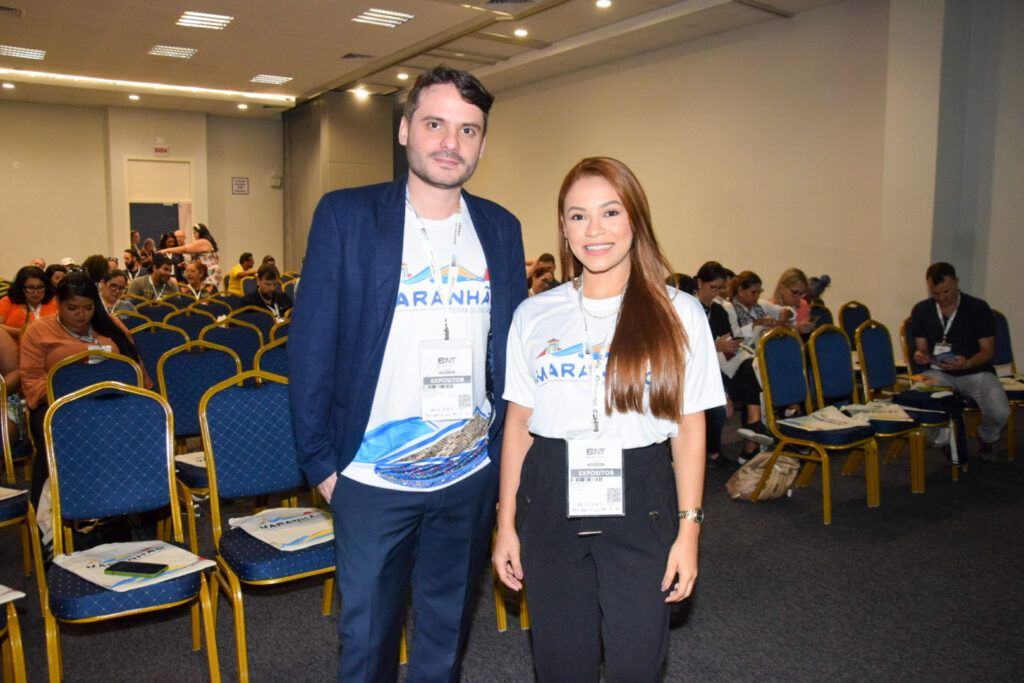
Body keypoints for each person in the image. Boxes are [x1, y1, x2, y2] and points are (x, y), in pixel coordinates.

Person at [288, 65, 525, 682]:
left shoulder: (500, 228)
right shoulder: (347, 215)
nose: (451, 142)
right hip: (369, 476)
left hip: (468, 473)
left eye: (468, 130)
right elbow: (311, 348)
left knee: (445, 637)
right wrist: (322, 465)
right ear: (404, 130)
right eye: (436, 124)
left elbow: (512, 357)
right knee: (366, 641)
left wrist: (500, 463)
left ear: (481, 141)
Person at [492, 157, 723, 682]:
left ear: (635, 220)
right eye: (577, 216)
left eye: (609, 212)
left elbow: (690, 429)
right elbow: (518, 426)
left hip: (641, 496)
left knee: (636, 663)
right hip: (549, 494)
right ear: (564, 228)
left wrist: (689, 532)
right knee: (560, 662)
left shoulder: (678, 312)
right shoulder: (535, 314)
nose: (593, 230)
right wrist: (505, 525)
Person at [20, 272, 144, 505]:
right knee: (58, 433)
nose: (81, 315)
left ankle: (125, 505)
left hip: (112, 403)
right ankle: (50, 516)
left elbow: (136, 370)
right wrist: (75, 393)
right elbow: (33, 382)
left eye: (88, 308)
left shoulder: (111, 325)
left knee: (137, 428)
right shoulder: (37, 331)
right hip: (58, 407)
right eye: (72, 308)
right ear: (58, 303)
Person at [910, 262, 1010, 460]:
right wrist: (920, 355)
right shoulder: (922, 310)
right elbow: (920, 348)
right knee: (915, 401)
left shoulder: (977, 308)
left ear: (956, 282)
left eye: (946, 291)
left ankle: (986, 437)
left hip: (975, 371)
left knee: (1000, 411)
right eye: (935, 292)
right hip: (937, 373)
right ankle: (946, 439)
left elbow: (988, 351)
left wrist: (967, 364)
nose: (941, 297)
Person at [721, 271, 791, 461]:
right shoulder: (729, 308)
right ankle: (755, 434)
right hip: (741, 358)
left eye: (759, 292)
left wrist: (783, 317)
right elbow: (734, 335)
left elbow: (784, 311)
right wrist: (757, 324)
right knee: (752, 374)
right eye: (753, 292)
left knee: (782, 361)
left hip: (756, 358)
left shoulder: (762, 305)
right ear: (741, 291)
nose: (757, 296)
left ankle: (785, 420)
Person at [694, 261, 738, 468]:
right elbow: (685, 349)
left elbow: (727, 339)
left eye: (720, 288)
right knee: (715, 408)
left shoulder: (719, 311)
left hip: (715, 368)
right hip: (691, 374)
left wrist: (730, 345)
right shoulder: (688, 308)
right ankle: (711, 452)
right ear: (700, 283)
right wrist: (715, 346)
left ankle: (754, 429)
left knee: (748, 370)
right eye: (713, 288)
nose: (717, 293)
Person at [0, 266, 57, 341]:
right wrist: (24, 332)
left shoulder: (54, 303)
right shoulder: (8, 302)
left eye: (40, 287)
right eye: (30, 288)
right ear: (21, 288)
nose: (36, 293)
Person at [159, 223, 221, 288]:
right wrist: (187, 264)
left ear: (201, 233)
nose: (194, 235)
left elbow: (185, 249)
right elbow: (201, 260)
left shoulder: (203, 241)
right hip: (204, 272)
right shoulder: (207, 242)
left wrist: (166, 250)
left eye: (195, 233)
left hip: (208, 273)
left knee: (206, 294)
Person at [770, 267, 815, 336]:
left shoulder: (803, 305)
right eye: (795, 292)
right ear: (781, 288)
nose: (799, 297)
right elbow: (772, 339)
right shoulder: (769, 308)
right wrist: (796, 329)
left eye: (802, 293)